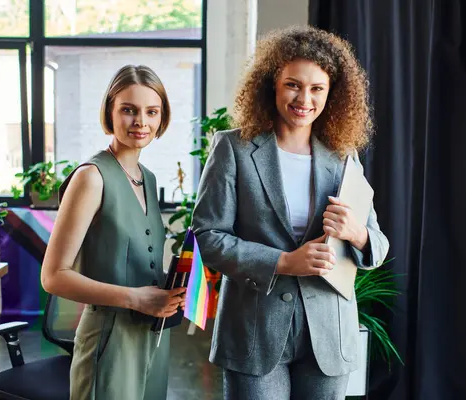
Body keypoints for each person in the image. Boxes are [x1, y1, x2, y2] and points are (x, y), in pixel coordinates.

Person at [192, 26, 390, 399]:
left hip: (328, 334)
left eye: (317, 88)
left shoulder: (344, 156)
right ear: (272, 84)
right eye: (293, 85)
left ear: (332, 95)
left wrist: (356, 233)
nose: (305, 98)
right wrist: (283, 261)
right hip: (253, 330)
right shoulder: (232, 148)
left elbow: (376, 244)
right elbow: (207, 236)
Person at [41, 64, 185, 400]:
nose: (141, 122)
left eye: (152, 111)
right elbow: (53, 277)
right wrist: (136, 298)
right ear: (110, 112)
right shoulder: (91, 177)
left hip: (153, 335)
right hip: (108, 339)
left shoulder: (147, 178)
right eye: (128, 110)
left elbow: (140, 258)